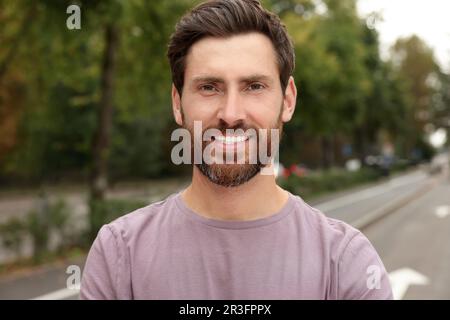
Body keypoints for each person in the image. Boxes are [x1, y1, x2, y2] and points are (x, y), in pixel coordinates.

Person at [80, 0, 393, 300]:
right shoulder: (119, 255)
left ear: (287, 100)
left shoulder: (346, 262)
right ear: (178, 104)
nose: (230, 114)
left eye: (254, 86)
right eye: (209, 87)